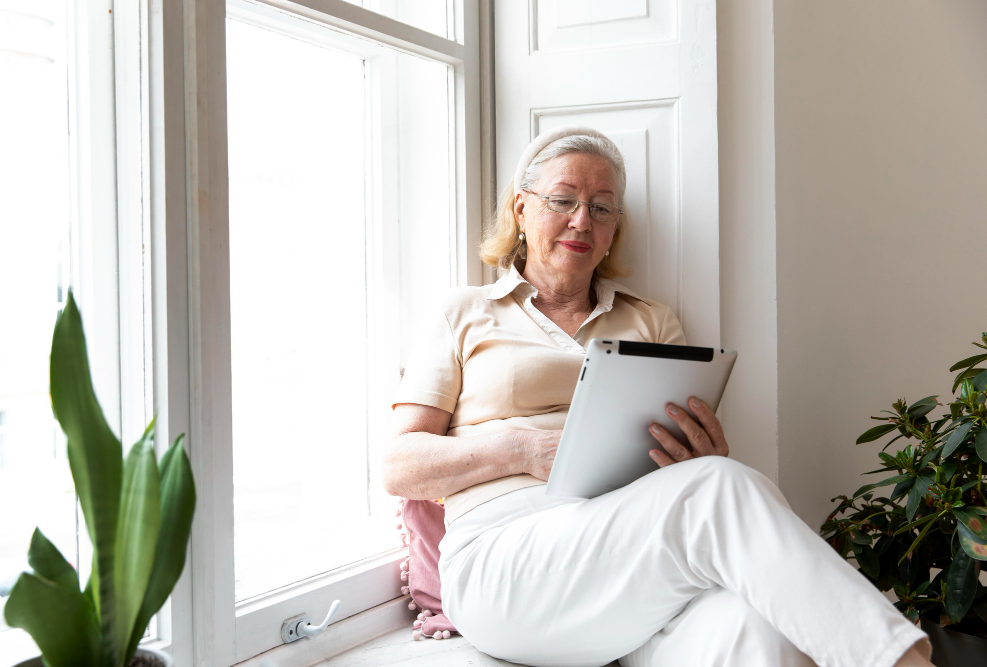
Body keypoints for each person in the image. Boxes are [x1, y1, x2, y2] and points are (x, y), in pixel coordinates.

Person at [381, 126, 933, 667]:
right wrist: (520, 449)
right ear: (522, 210)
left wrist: (700, 457)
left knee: (755, 631)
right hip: (508, 559)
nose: (582, 220)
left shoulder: (650, 319)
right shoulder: (465, 312)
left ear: (615, 228)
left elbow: (690, 479)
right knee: (718, 488)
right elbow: (400, 467)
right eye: (563, 200)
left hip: (634, 559)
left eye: (602, 208)